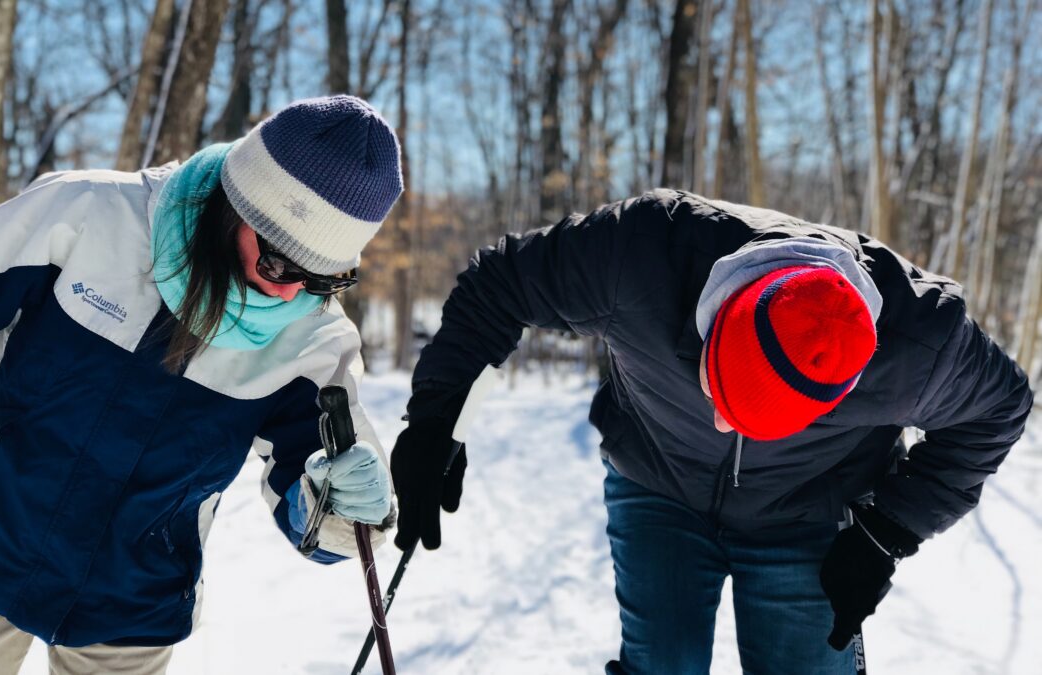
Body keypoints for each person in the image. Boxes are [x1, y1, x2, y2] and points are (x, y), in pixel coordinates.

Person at [389, 189, 1035, 674]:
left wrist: (886, 530)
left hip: (808, 506)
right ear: (721, 312)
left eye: (758, 419)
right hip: (658, 479)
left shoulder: (919, 345)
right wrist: (433, 421)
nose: (726, 420)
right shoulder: (638, 254)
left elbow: (998, 410)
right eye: (721, 391)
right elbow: (496, 285)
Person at [0, 95, 402, 674]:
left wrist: (342, 505)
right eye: (277, 264)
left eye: (323, 277)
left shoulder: (313, 340)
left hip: (131, 607)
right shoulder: (88, 214)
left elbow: (327, 518)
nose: (292, 294)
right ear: (231, 206)